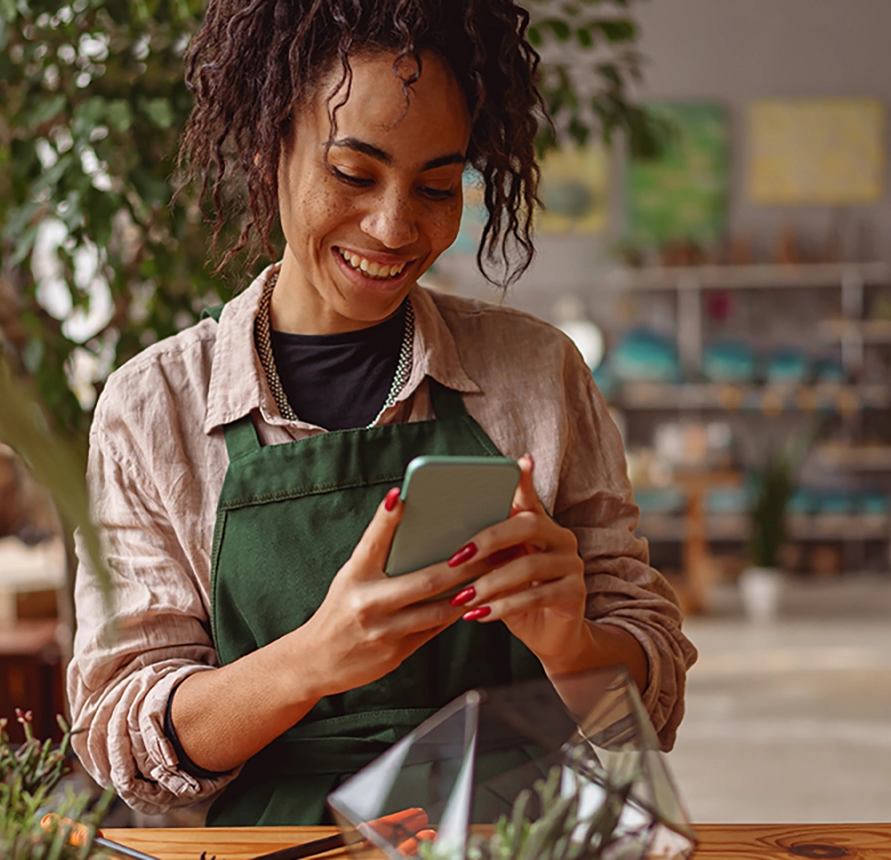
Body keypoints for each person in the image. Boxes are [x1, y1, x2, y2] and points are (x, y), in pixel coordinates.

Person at [68, 0, 695, 827]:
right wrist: (313, 660)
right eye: (353, 174)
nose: (395, 226)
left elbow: (638, 726)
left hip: (510, 839)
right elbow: (125, 749)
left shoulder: (537, 376)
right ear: (269, 146)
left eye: (437, 185)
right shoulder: (156, 410)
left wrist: (571, 643)